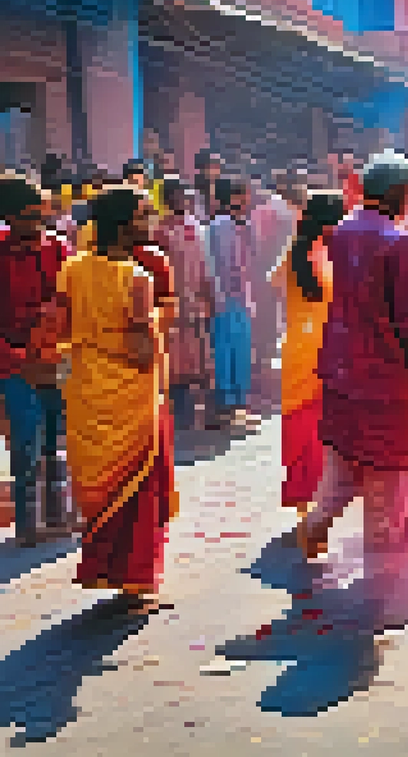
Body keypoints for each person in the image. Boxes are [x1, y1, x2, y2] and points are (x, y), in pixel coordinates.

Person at [298, 153, 408, 628]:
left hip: (340, 372)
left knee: (341, 470)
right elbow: (406, 324)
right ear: (400, 192)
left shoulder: (341, 232)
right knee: (388, 484)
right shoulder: (397, 241)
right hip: (383, 380)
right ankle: (378, 596)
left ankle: (315, 527)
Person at [55, 186, 175, 614]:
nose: (151, 223)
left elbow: (60, 328)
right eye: (144, 216)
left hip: (88, 386)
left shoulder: (71, 268)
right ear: (124, 225)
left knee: (105, 486)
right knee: (140, 484)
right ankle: (137, 581)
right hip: (130, 393)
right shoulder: (136, 278)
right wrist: (164, 316)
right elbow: (141, 350)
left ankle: (106, 569)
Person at [0, 176, 73, 547]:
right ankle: (28, 522)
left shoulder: (58, 248)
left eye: (41, 216)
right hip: (14, 362)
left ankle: (58, 515)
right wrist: (16, 359)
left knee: (57, 438)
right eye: (29, 217)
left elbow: (71, 301)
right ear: (9, 216)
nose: (38, 224)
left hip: (55, 357)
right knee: (26, 440)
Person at [271, 191, 346, 514]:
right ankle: (319, 495)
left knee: (298, 421)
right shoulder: (328, 257)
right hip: (325, 346)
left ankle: (302, 495)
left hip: (296, 348)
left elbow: (275, 283)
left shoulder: (295, 252)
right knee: (320, 423)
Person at [158, 177, 215, 431]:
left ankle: (196, 413)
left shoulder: (196, 226)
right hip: (173, 305)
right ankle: (178, 414)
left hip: (196, 303)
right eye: (179, 196)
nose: (184, 200)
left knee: (198, 360)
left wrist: (208, 294)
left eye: (186, 196)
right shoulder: (160, 230)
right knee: (175, 361)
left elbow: (204, 265)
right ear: (168, 198)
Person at [207, 178, 258, 433]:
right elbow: (214, 264)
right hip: (224, 297)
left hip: (242, 296)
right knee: (225, 352)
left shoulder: (244, 225)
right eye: (245, 195)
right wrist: (217, 296)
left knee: (241, 350)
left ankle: (240, 406)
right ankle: (226, 407)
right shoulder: (218, 225)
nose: (249, 200)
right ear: (235, 197)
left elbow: (250, 261)